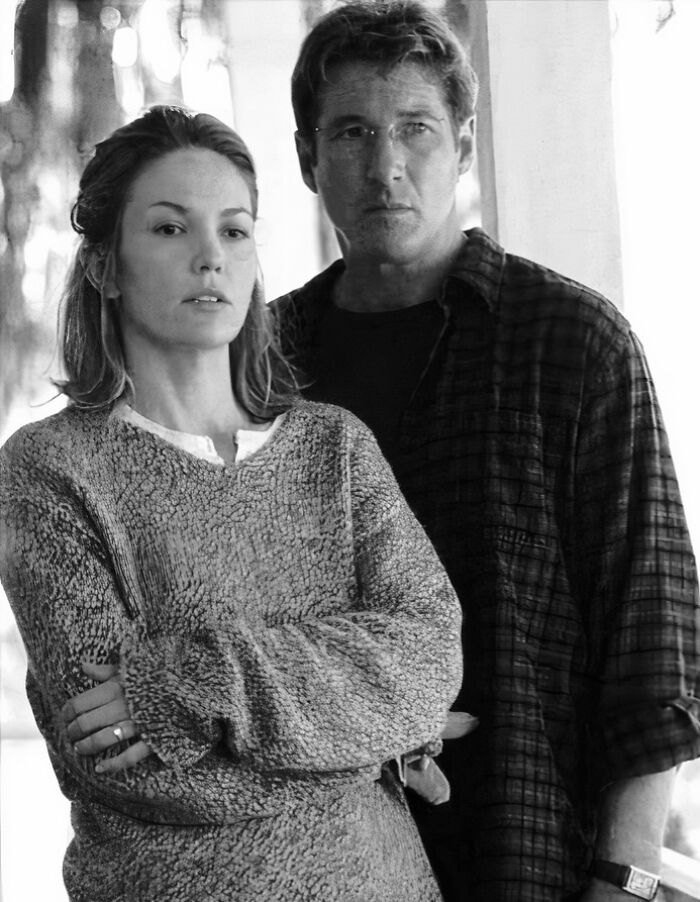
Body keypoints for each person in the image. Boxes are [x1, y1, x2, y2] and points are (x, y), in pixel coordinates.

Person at [271, 2, 700, 900]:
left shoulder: (573, 343)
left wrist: (624, 882)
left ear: (463, 147)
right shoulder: (265, 366)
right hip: (307, 860)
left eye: (415, 129)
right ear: (309, 158)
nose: (386, 165)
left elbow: (652, 644)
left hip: (523, 854)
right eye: (352, 132)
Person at [0, 104, 465, 902]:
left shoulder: (334, 448)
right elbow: (127, 767)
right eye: (170, 228)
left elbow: (430, 662)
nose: (210, 256)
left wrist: (189, 686)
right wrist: (366, 739)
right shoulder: (49, 471)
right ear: (106, 266)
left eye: (235, 230)